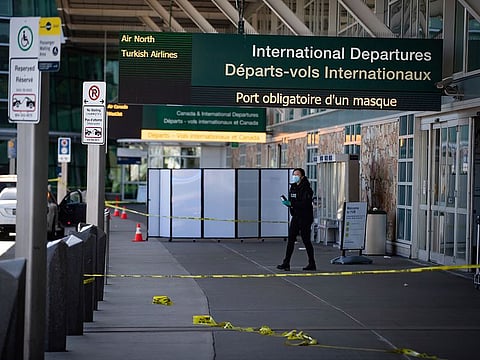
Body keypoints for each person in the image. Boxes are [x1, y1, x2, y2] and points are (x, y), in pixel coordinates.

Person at [277, 168, 316, 271]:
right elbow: (293, 201)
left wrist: (292, 204)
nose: (295, 176)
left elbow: (305, 203)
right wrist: (288, 203)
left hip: (305, 217)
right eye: (294, 174)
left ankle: (312, 263)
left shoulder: (307, 189)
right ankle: (286, 263)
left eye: (297, 174)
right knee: (291, 239)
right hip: (296, 216)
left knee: (306, 240)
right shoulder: (293, 187)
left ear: (302, 177)